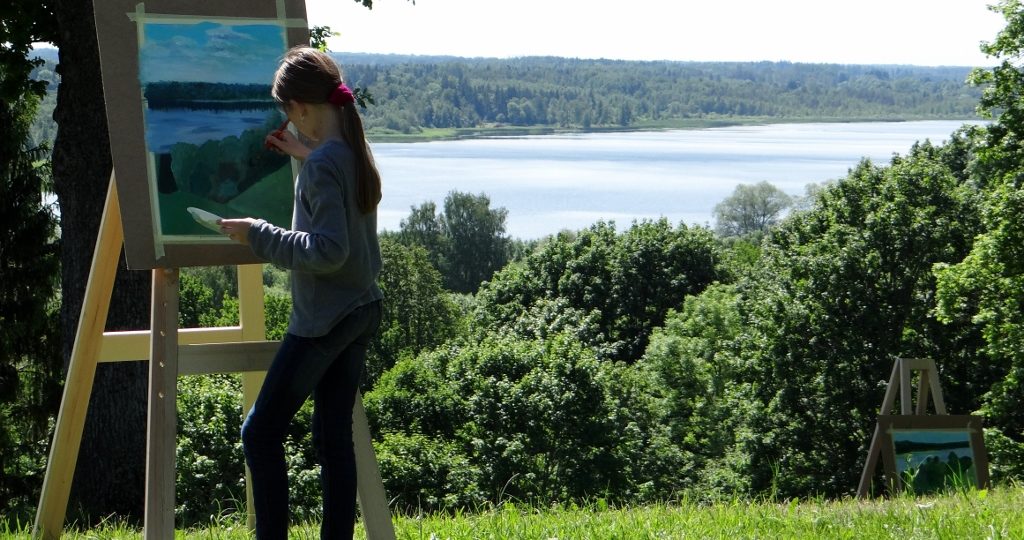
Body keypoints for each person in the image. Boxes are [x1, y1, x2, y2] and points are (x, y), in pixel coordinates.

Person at [219, 46, 383, 539]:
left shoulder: (325, 164)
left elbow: (327, 250)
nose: (286, 121)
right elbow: (334, 191)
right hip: (360, 308)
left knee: (260, 430)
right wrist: (302, 153)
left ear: (301, 108)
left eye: (285, 111)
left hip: (324, 321)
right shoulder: (351, 152)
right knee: (333, 438)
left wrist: (257, 232)